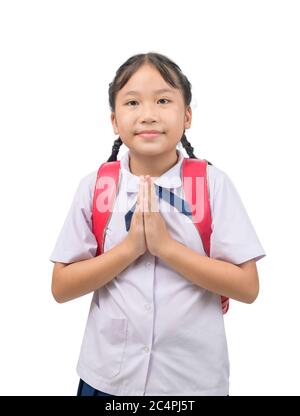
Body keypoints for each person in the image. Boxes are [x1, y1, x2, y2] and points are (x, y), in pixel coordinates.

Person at [49, 52, 266, 396]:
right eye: (132, 102)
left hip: (192, 382)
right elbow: (61, 287)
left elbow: (247, 287)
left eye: (163, 100)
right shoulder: (97, 188)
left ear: (187, 115)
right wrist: (131, 248)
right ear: (114, 121)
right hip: (108, 378)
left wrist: (166, 248)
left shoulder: (213, 185)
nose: (148, 115)